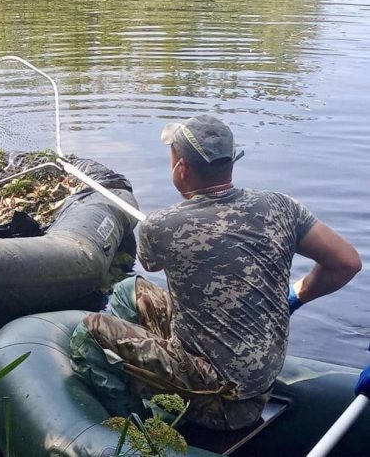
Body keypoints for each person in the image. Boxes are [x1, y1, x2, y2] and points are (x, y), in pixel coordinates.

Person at [70, 115, 362, 431]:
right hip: (259, 380)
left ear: (181, 169)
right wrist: (297, 295)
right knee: (130, 292)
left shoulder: (160, 226)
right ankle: (145, 376)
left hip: (220, 399)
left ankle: (132, 425)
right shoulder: (282, 206)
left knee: (89, 331)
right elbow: (346, 262)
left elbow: (152, 261)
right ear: (231, 162)